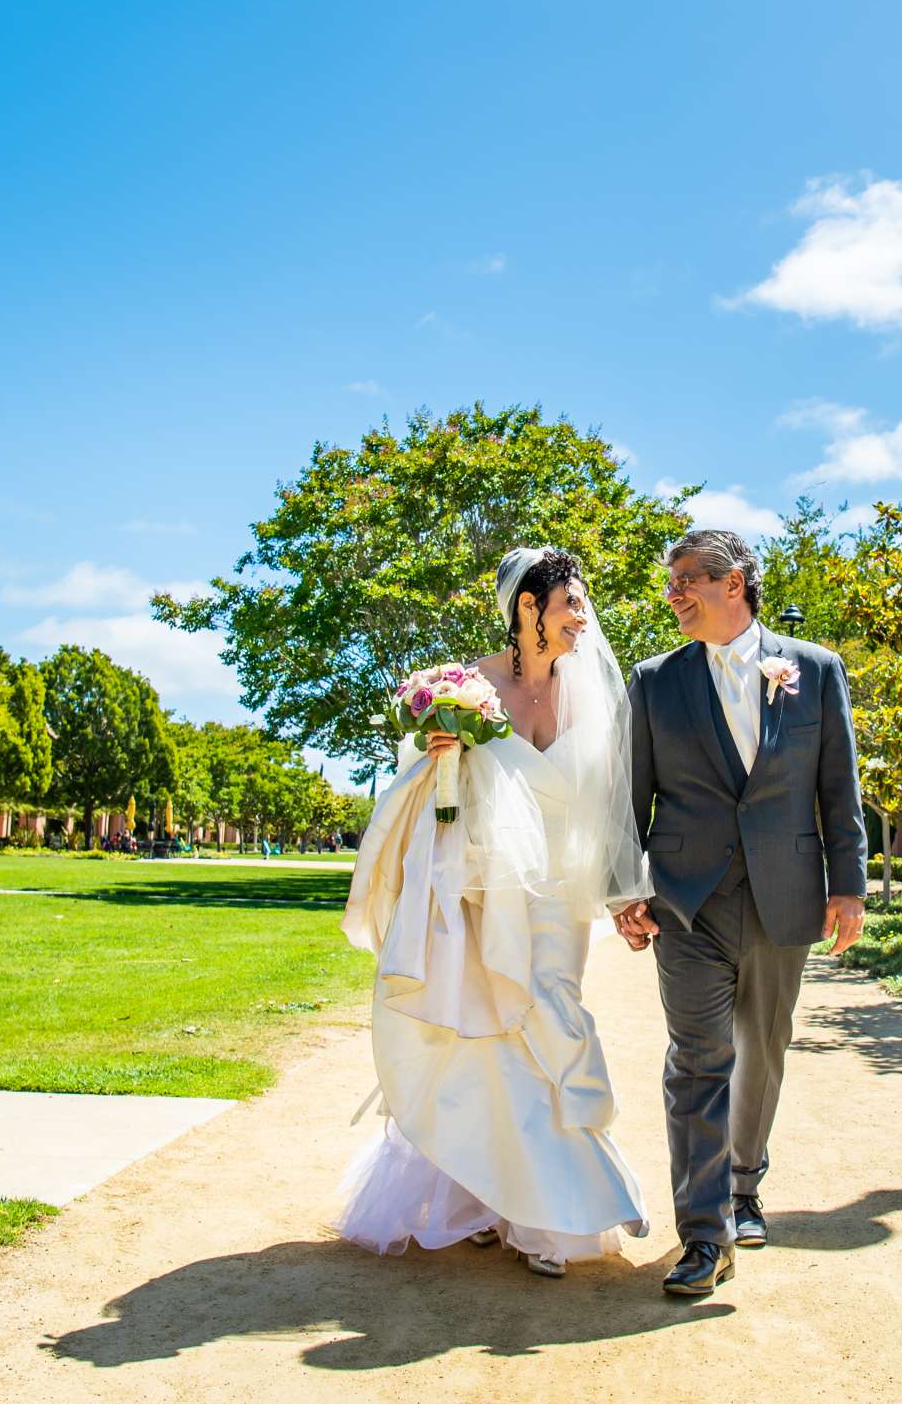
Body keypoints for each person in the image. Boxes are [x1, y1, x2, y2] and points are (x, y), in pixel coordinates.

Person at [337, 548, 652, 1278]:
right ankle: (529, 1213)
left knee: (555, 1018)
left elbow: (612, 806)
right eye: (570, 602)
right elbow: (424, 786)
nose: (583, 618)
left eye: (582, 604)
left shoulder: (591, 693)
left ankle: (521, 1196)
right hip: (488, 894)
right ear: (527, 608)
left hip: (564, 896)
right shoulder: (467, 688)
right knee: (497, 1036)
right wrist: (437, 749)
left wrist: (622, 892)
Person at [616, 529, 867, 1298]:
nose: (674, 595)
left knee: (762, 1048)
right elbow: (630, 793)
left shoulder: (815, 671)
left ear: (737, 584)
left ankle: (744, 1186)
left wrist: (848, 883)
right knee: (696, 1061)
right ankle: (704, 1236)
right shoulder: (655, 681)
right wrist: (625, 888)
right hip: (685, 901)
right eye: (671, 581)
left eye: (688, 579)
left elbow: (838, 785)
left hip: (784, 891)